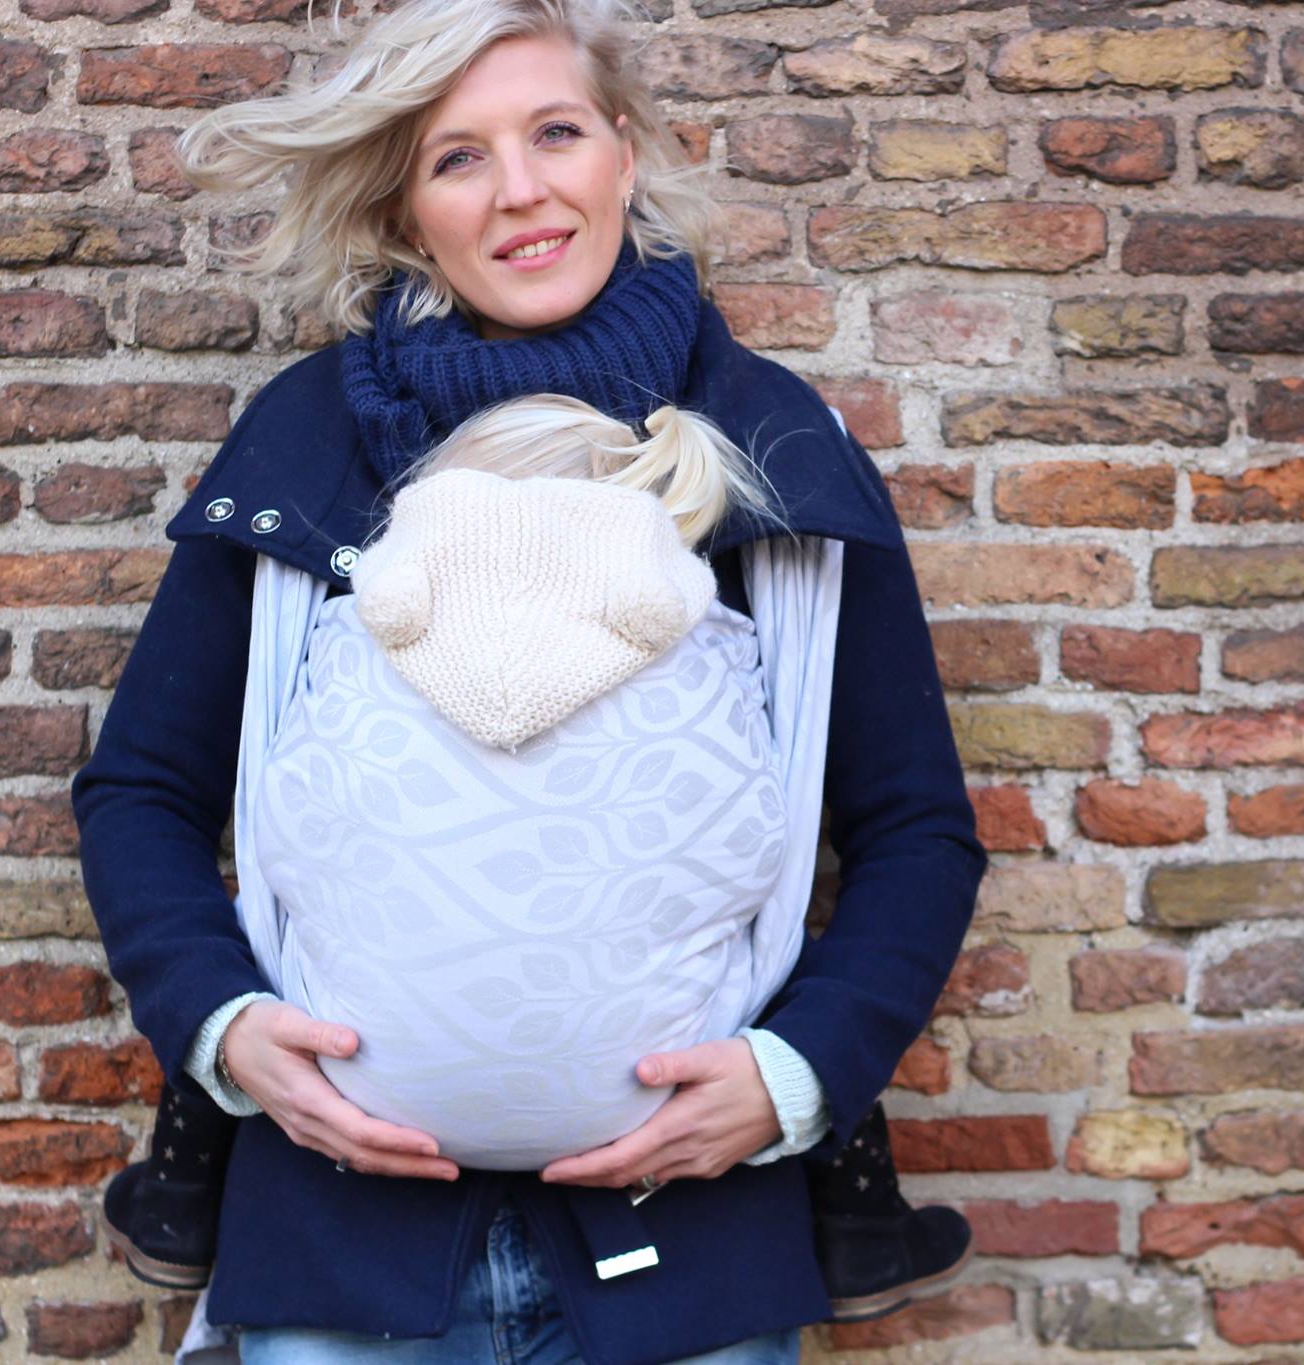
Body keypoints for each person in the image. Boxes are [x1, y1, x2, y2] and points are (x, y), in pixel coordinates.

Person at [69, 0, 987, 1360]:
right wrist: (226, 1026)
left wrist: (793, 1074)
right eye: (459, 157)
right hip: (341, 1262)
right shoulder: (307, 444)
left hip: (695, 1262)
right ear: (406, 207)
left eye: (555, 133)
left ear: (623, 150)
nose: (520, 191)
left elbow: (914, 828)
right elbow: (144, 790)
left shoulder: (773, 448)